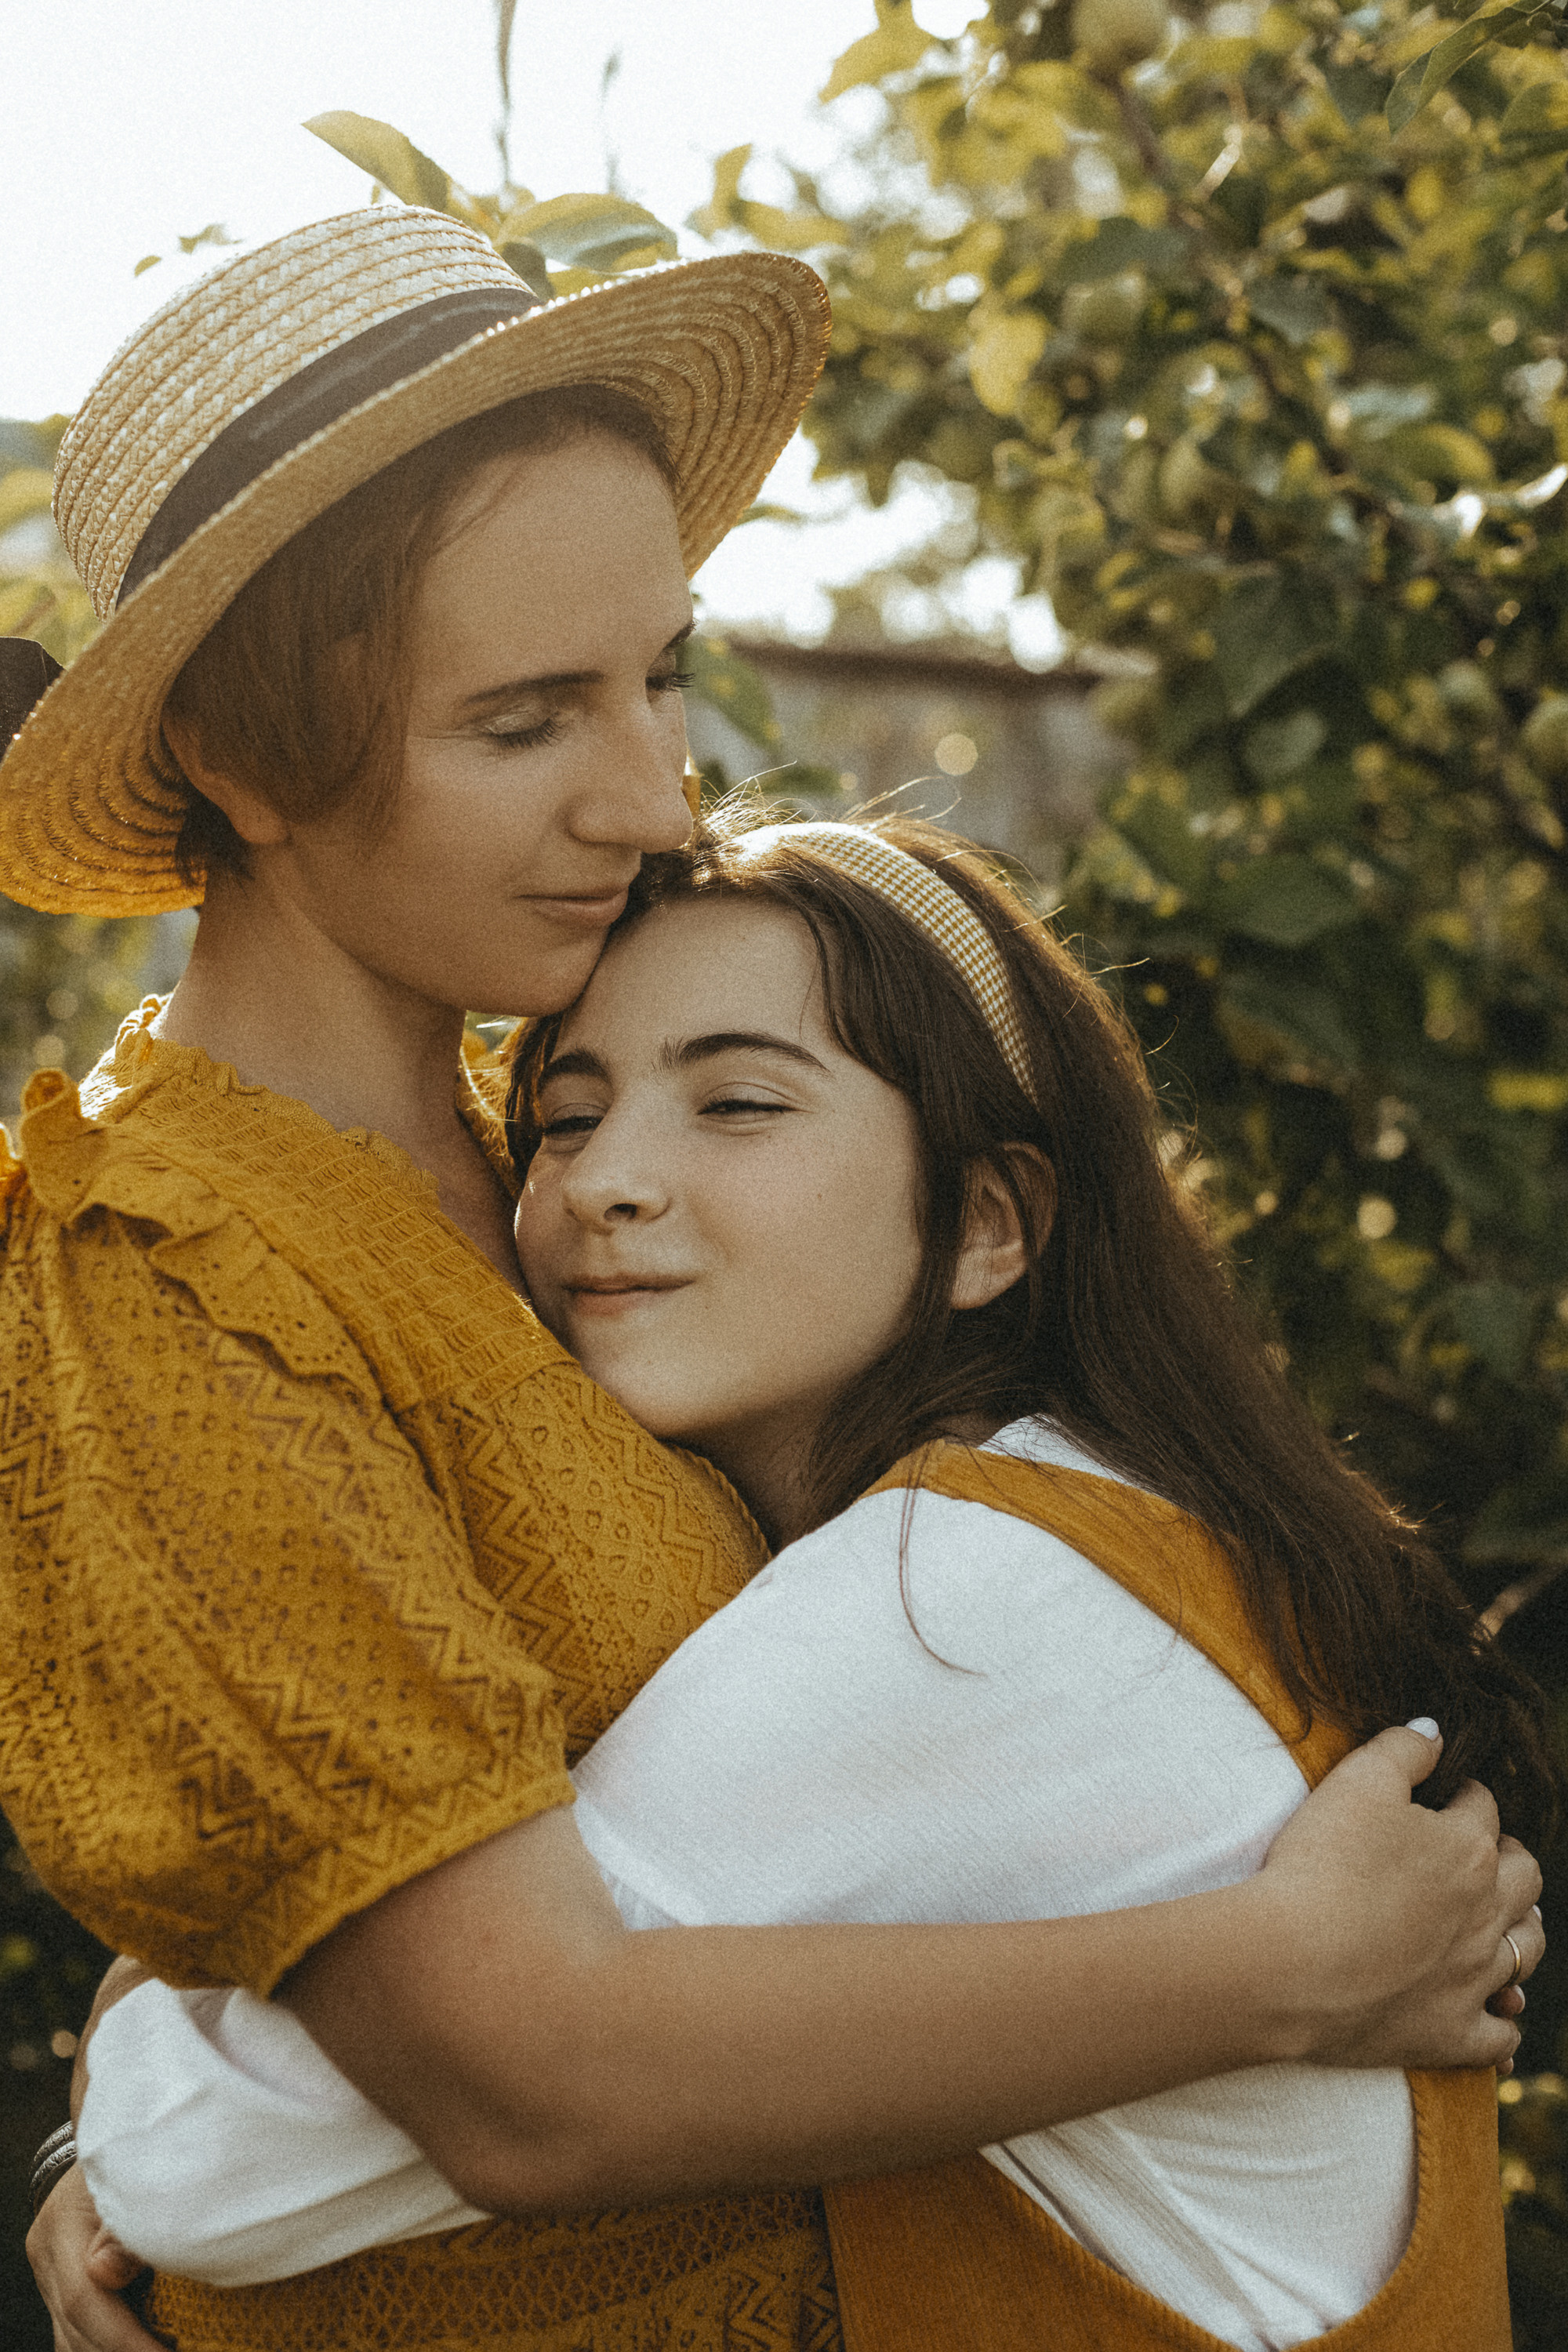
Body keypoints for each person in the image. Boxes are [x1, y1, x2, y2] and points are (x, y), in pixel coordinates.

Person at [1, 207, 1541, 2352]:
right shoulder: (176, 1256)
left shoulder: (546, 1150)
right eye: (523, 722)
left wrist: (170, 2078)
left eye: (661, 676)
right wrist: (1284, 1969)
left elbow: (436, 1775)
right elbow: (495, 2043)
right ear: (240, 762)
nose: (654, 802)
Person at [45, 811, 1555, 2352]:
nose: (607, 1180)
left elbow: (213, 2160)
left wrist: (146, 2036)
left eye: (739, 1104)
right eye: (565, 1116)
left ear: (986, 1225)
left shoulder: (958, 1604)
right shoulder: (1102, 1527)